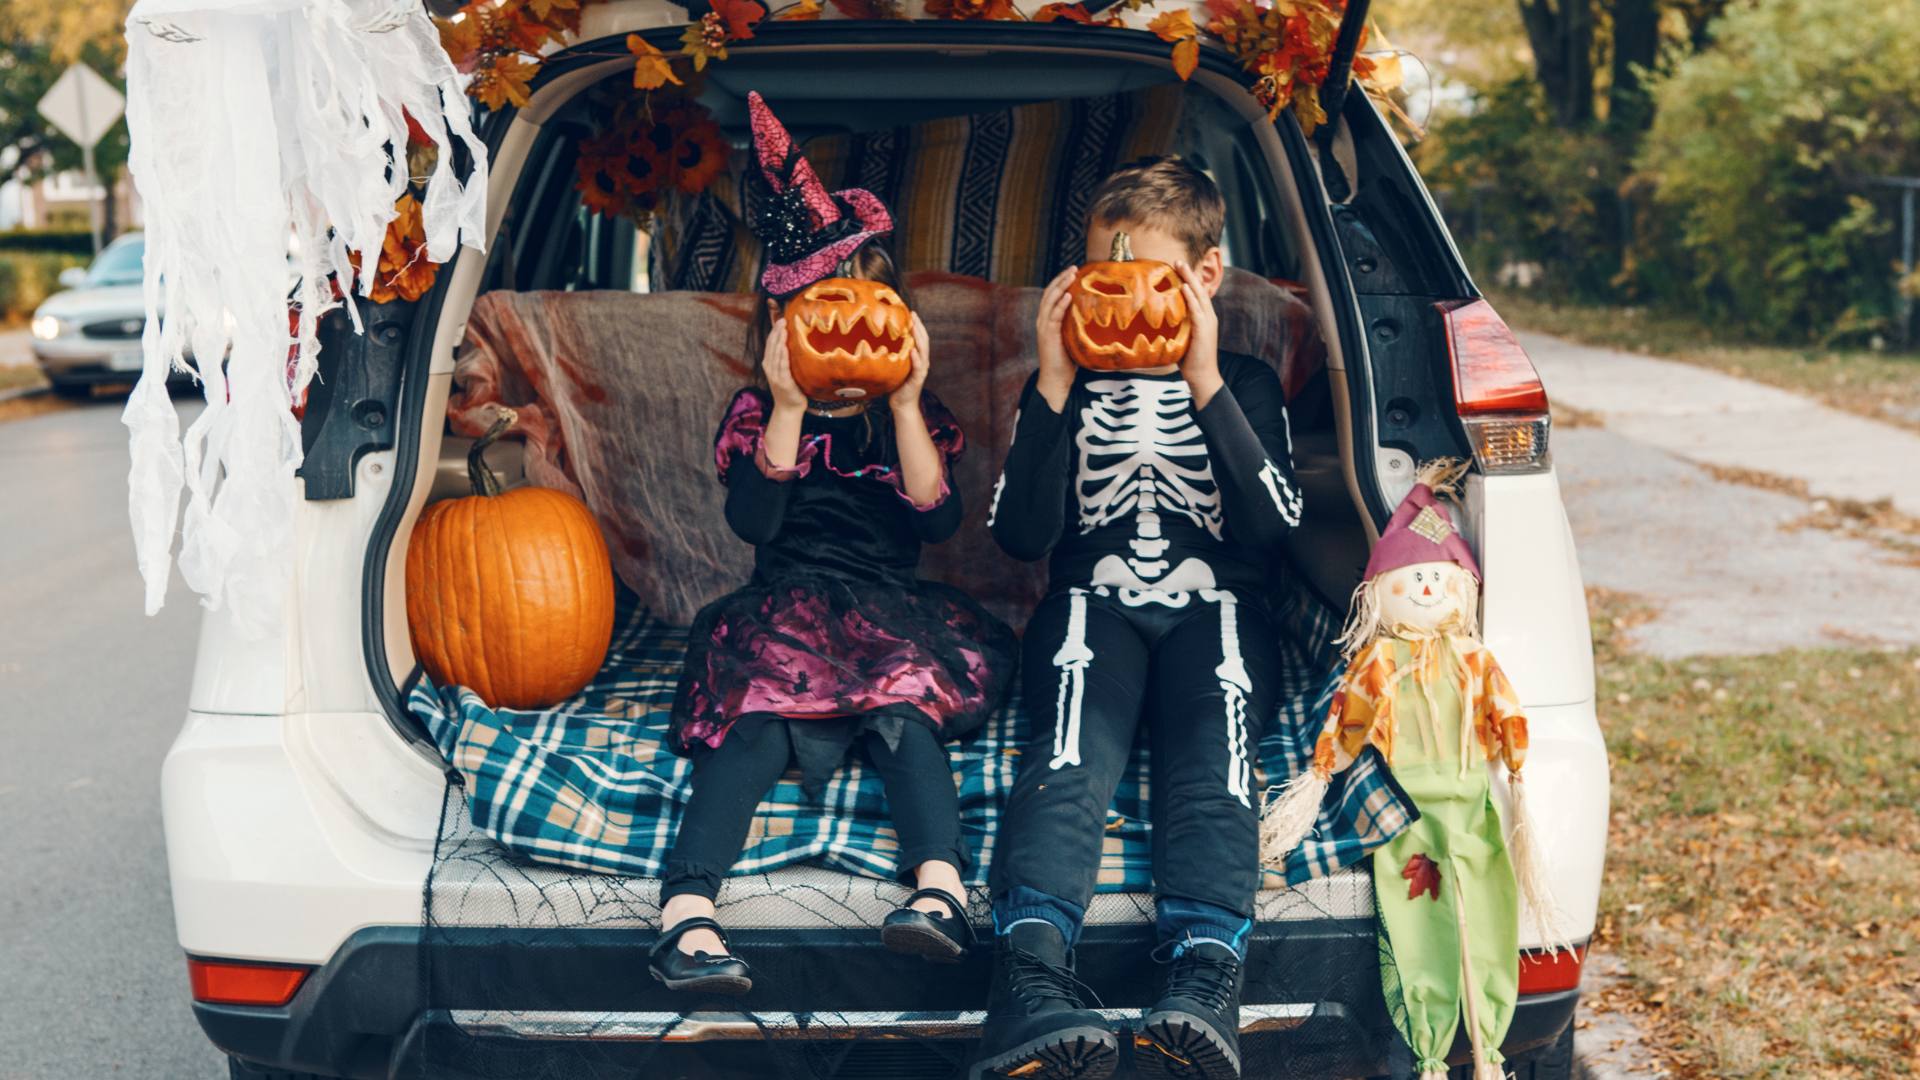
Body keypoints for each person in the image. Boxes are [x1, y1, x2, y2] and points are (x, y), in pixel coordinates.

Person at [651, 92, 1016, 996]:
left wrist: (902, 403)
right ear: (781, 331)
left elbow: (937, 519)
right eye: (823, 311)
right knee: (755, 727)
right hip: (783, 602)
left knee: (904, 717)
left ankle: (939, 893)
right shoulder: (761, 414)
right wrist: (782, 402)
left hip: (891, 608)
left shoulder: (913, 418)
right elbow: (755, 524)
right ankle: (687, 919)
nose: (850, 326)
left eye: (870, 306)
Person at [974, 157, 1305, 1080]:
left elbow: (1273, 525)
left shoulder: (1246, 379)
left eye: (1145, 283)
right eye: (1097, 282)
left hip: (1218, 605)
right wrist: (1047, 383)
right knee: (1072, 748)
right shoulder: (1064, 388)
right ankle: (1030, 978)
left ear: (1204, 278)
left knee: (1215, 750)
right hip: (1092, 601)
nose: (1117, 305)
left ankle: (1205, 979)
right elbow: (1018, 533)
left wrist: (1205, 381)